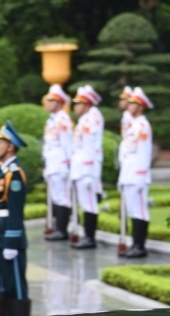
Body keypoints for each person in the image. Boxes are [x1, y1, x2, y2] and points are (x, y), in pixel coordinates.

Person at [0, 120, 31, 316]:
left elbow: (14, 211)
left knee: (16, 285)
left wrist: (12, 241)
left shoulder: (15, 173)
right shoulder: (3, 172)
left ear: (10, 147)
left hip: (9, 236)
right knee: (5, 284)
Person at [119, 87, 153, 258]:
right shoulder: (133, 126)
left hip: (137, 174)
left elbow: (144, 152)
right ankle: (135, 244)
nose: (129, 106)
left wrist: (141, 175)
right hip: (129, 174)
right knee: (133, 210)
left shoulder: (142, 126)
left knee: (140, 211)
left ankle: (140, 246)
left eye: (132, 103)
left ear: (140, 106)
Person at [70, 86, 103, 250]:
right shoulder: (84, 120)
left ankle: (90, 238)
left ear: (87, 105)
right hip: (80, 168)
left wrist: (90, 172)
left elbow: (90, 147)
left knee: (89, 204)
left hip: (85, 169)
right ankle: (87, 236)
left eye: (78, 104)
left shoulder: (88, 121)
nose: (75, 107)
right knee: (85, 203)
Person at [41, 84, 73, 241]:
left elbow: (67, 143)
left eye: (51, 100)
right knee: (55, 196)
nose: (48, 103)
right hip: (52, 164)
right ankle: (56, 227)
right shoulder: (51, 120)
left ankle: (62, 230)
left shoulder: (63, 120)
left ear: (59, 102)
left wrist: (68, 164)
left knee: (62, 197)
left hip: (60, 164)